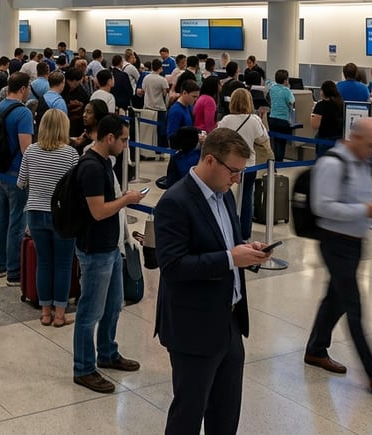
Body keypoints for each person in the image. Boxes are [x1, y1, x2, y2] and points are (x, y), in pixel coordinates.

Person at [154, 128, 270, 434]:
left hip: (229, 323)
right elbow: (174, 266)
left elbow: (223, 241)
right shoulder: (175, 202)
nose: (236, 179)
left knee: (226, 413)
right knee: (188, 414)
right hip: (192, 327)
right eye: (233, 171)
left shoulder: (225, 196)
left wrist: (246, 247)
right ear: (209, 160)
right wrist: (232, 258)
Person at [304, 118, 372, 393]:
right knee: (354, 306)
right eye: (371, 145)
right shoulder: (332, 164)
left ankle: (315, 349)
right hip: (335, 243)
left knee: (335, 298)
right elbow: (322, 207)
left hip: (354, 243)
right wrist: (364, 210)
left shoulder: (360, 163)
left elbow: (360, 198)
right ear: (355, 137)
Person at [72, 115, 145, 394]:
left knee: (114, 305)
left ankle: (107, 352)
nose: (127, 145)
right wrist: (126, 199)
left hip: (110, 247)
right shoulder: (91, 166)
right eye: (124, 139)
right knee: (90, 312)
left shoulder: (104, 163)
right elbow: (98, 211)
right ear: (110, 138)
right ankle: (84, 368)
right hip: (95, 250)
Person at [17, 109, 79, 328]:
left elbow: (21, 182)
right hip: (61, 215)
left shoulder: (31, 151)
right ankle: (60, 314)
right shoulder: (71, 154)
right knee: (63, 265)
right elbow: (76, 188)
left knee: (43, 263)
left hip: (34, 211)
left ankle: (45, 312)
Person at [0, 72, 34, 286]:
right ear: (23, 88)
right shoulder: (23, 113)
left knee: (1, 217)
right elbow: (26, 148)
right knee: (17, 221)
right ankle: (14, 271)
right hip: (16, 173)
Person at [219, 89, 270, 241]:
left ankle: (226, 229)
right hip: (249, 164)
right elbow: (263, 138)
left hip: (228, 164)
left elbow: (218, 137)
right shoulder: (254, 120)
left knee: (223, 196)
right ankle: (244, 233)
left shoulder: (226, 120)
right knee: (247, 197)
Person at [267, 69, 295, 162]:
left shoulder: (272, 88)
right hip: (283, 120)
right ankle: (279, 161)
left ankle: (274, 161)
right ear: (285, 80)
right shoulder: (286, 90)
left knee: (275, 142)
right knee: (282, 142)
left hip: (272, 118)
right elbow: (291, 102)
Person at [311, 81, 344, 157]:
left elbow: (314, 125)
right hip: (339, 139)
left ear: (323, 91)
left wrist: (313, 113)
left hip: (325, 139)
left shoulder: (320, 105)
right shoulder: (340, 103)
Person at [167, 80, 200, 146]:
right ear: (184, 93)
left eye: (197, 97)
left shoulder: (189, 106)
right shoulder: (176, 111)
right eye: (193, 96)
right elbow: (171, 136)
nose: (196, 99)